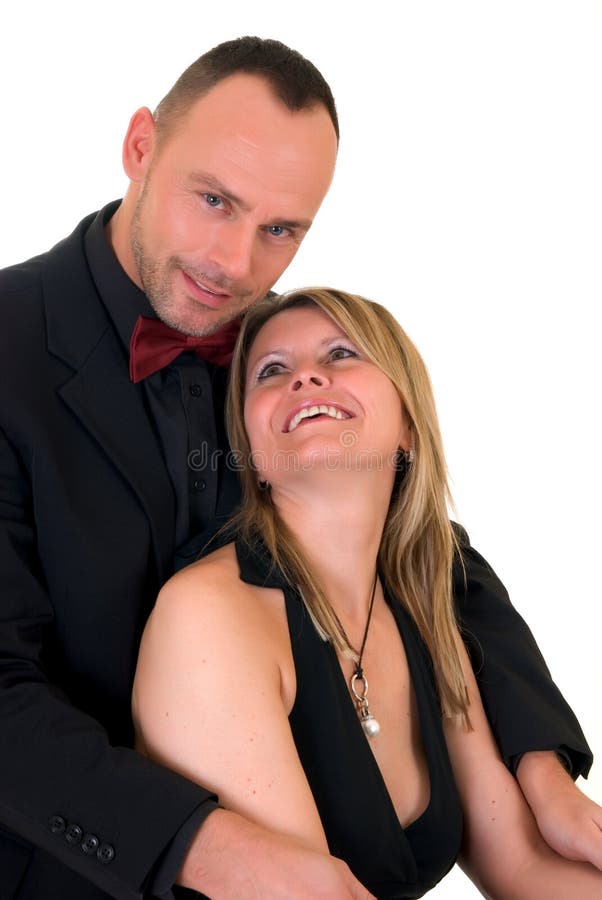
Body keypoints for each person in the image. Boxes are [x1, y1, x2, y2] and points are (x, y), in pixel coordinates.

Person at [0, 34, 598, 900]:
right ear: (140, 148)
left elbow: (426, 547)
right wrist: (213, 851)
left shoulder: (273, 357)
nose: (236, 263)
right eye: (213, 199)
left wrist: (539, 764)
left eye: (280, 229)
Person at [133, 287, 602, 898]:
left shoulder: (421, 608)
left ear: (407, 425)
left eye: (341, 355)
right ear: (253, 457)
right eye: (272, 371)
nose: (305, 377)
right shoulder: (211, 616)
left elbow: (524, 868)